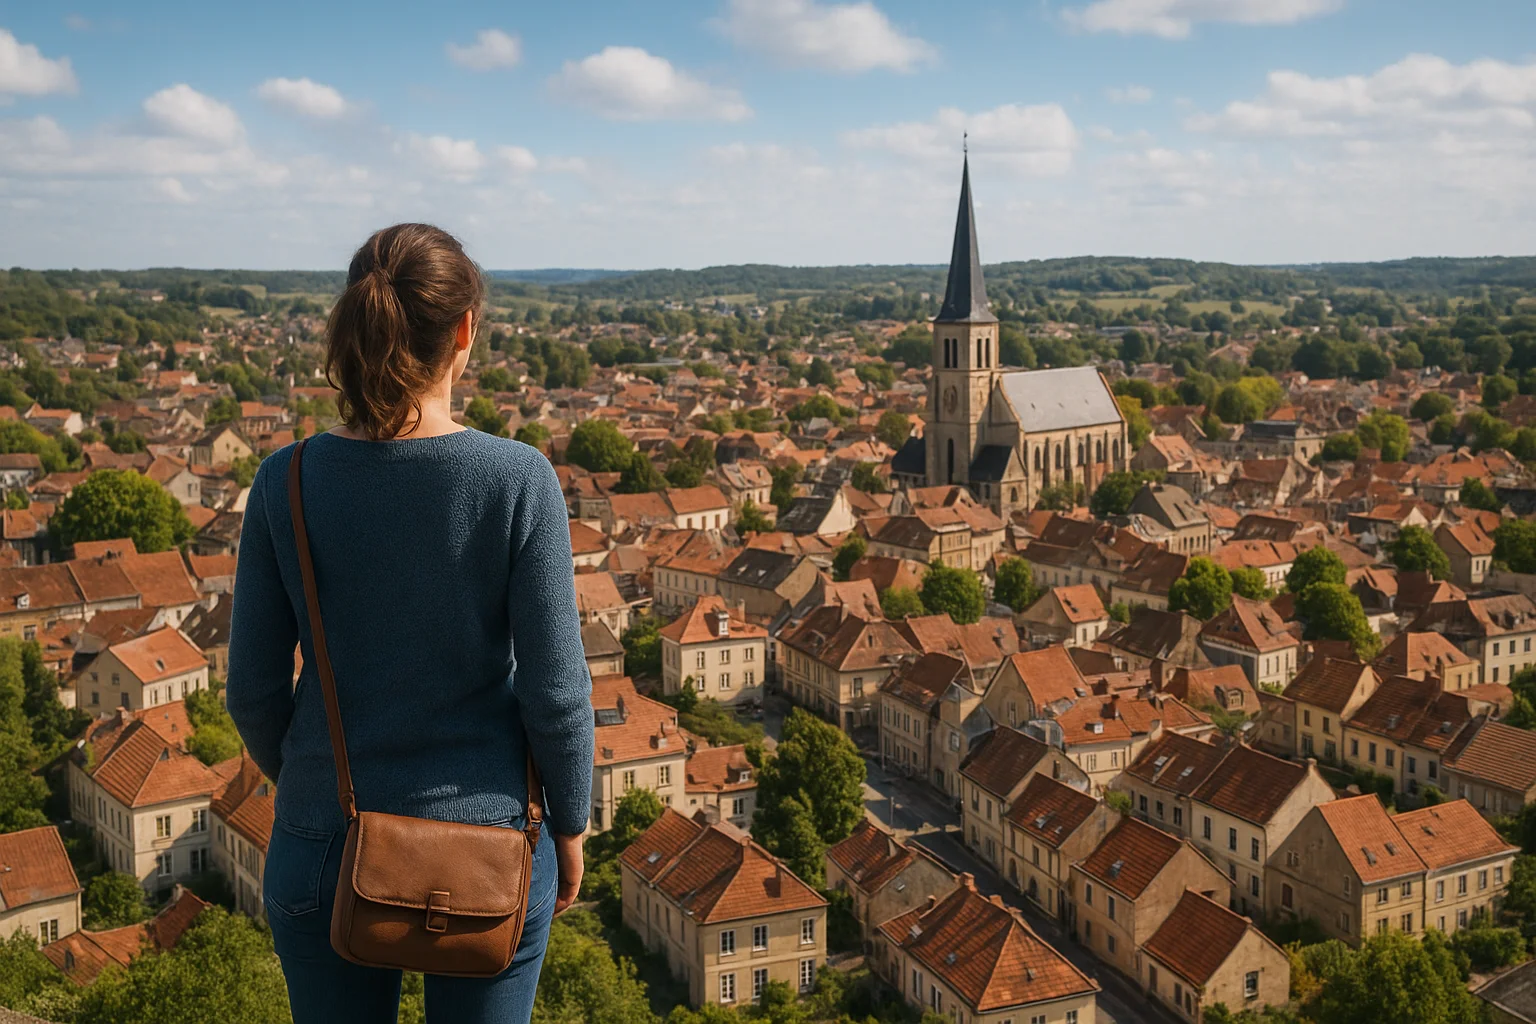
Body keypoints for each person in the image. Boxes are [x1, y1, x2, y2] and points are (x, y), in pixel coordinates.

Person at [226, 223, 594, 1024]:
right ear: (465, 331)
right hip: (488, 848)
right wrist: (571, 823)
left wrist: (313, 789)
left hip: (324, 841)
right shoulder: (517, 479)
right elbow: (557, 696)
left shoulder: (283, 481)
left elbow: (252, 692)